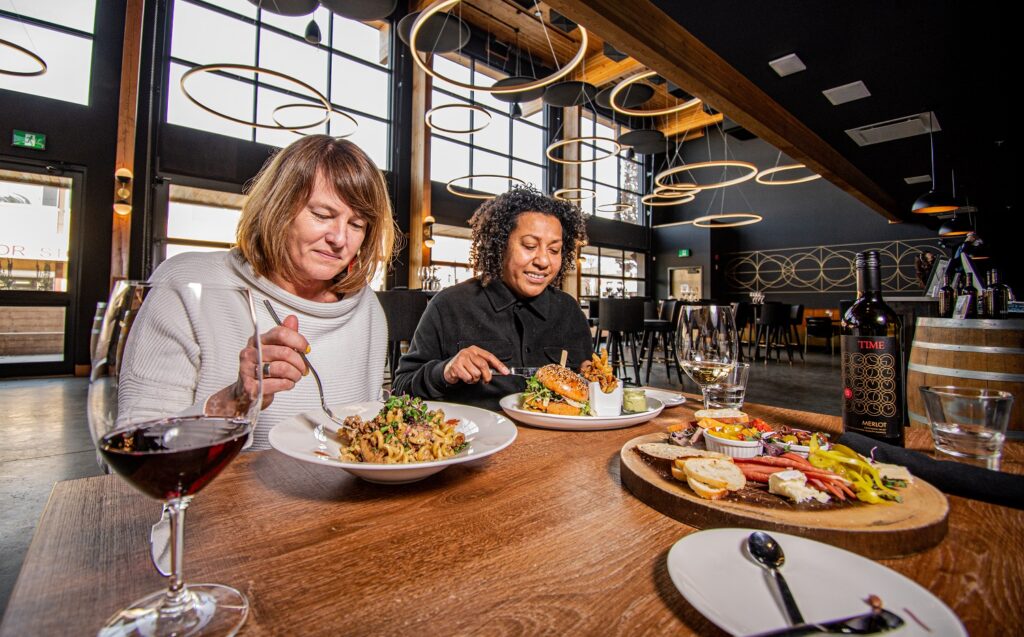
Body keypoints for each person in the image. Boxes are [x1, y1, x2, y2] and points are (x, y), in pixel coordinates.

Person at [117, 135, 397, 449]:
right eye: (322, 215)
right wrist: (234, 402)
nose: (339, 238)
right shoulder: (186, 284)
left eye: (357, 224)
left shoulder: (366, 307)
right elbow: (133, 449)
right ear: (278, 207)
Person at [392, 186, 593, 411]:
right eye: (529, 246)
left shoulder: (568, 311)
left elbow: (586, 384)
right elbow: (401, 388)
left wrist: (594, 379)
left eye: (554, 250)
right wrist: (445, 371)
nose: (544, 261)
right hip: (479, 440)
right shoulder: (449, 305)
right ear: (500, 245)